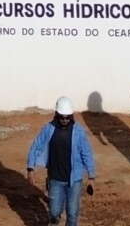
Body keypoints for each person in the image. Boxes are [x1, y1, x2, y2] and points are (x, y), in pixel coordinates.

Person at [26, 95, 96, 226]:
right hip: (55, 179)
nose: (65, 120)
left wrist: (91, 177)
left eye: (67, 117)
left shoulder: (79, 131)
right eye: (62, 117)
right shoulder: (48, 129)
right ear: (57, 114)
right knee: (54, 212)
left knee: (73, 213)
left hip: (74, 180)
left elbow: (86, 153)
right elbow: (36, 146)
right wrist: (30, 168)